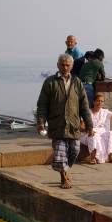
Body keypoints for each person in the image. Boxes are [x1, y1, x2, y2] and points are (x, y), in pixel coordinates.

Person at [36, 54, 94, 189]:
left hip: (73, 125)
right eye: (62, 64)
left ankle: (65, 168)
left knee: (74, 150)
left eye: (68, 65)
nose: (65, 67)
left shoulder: (77, 82)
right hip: (57, 125)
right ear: (57, 65)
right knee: (61, 152)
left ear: (72, 66)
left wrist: (89, 124)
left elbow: (84, 106)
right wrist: (41, 122)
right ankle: (63, 177)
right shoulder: (50, 82)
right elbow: (42, 105)